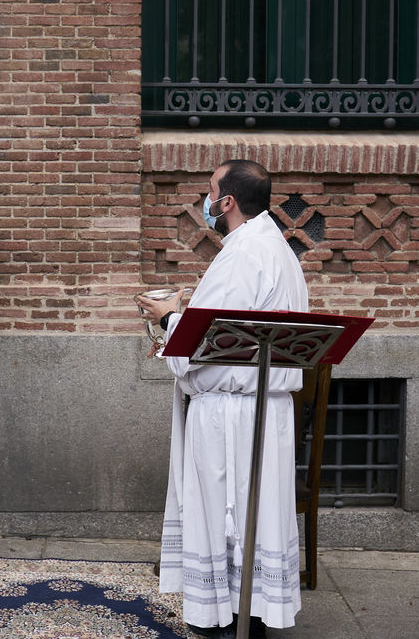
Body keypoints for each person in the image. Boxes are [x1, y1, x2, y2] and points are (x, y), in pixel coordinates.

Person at [137, 160, 308, 639]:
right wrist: (186, 316)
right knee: (254, 510)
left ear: (227, 202)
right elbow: (237, 328)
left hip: (233, 411)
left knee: (225, 508)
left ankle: (219, 614)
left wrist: (170, 316)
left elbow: (197, 351)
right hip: (265, 409)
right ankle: (250, 607)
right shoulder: (277, 247)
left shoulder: (240, 254)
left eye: (210, 191)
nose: (206, 201)